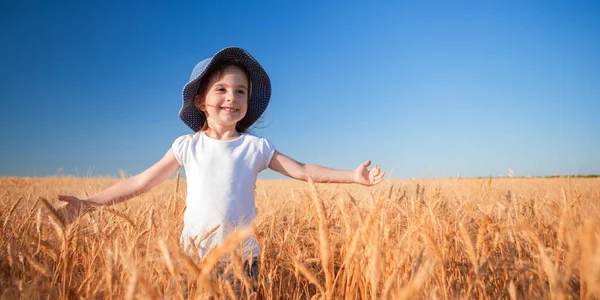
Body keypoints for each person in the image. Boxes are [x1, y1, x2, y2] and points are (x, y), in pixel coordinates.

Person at [56, 46, 385, 273]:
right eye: (222, 90)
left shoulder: (255, 148)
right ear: (200, 101)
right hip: (193, 257)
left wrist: (351, 176)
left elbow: (301, 170)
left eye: (241, 91)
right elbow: (140, 182)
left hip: (243, 260)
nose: (232, 97)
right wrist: (86, 204)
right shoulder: (187, 146)